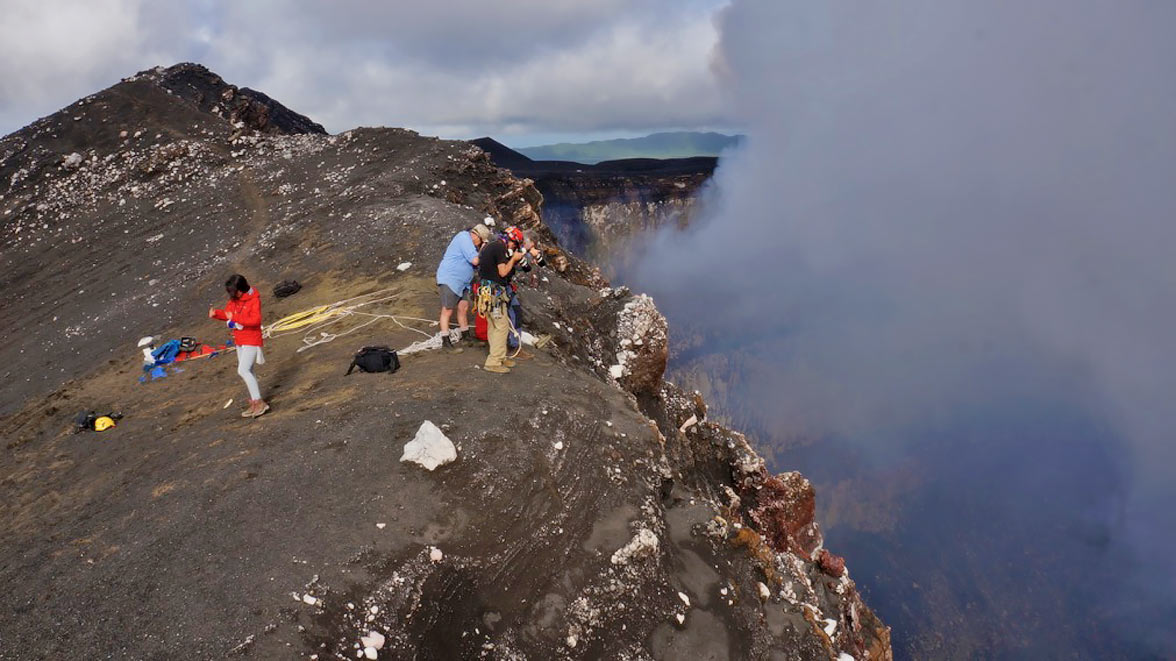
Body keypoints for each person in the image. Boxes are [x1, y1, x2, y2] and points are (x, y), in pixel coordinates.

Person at [477, 226, 541, 374]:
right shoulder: (499, 248)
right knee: (501, 326)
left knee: (494, 325)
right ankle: (494, 362)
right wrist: (513, 259)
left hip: (487, 291)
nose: (513, 247)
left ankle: (499, 356)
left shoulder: (491, 246)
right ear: (511, 239)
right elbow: (503, 271)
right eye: (514, 243)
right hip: (494, 293)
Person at [209, 274, 268, 417]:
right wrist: (216, 314)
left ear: (240, 290)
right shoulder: (234, 299)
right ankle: (256, 401)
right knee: (249, 370)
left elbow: (255, 320)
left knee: (243, 370)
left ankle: (258, 402)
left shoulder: (254, 300)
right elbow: (228, 314)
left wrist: (233, 317)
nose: (231, 295)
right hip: (240, 339)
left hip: (251, 339)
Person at [436, 224, 491, 353]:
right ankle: (445, 341)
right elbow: (475, 261)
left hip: (464, 283)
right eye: (481, 241)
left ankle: (465, 336)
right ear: (476, 236)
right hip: (450, 279)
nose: (480, 244)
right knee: (447, 310)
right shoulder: (463, 238)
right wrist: (482, 250)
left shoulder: (471, 245)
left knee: (463, 307)